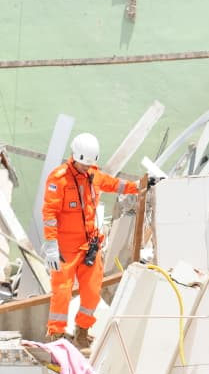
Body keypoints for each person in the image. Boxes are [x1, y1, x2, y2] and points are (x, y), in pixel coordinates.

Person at [41, 133, 142, 349]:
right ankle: (56, 335)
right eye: (83, 164)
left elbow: (116, 185)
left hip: (89, 246)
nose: (86, 168)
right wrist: (51, 247)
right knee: (62, 292)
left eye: (89, 165)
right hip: (65, 249)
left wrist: (141, 185)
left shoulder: (93, 175)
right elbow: (49, 213)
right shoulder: (58, 178)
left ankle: (82, 332)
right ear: (74, 157)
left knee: (92, 292)